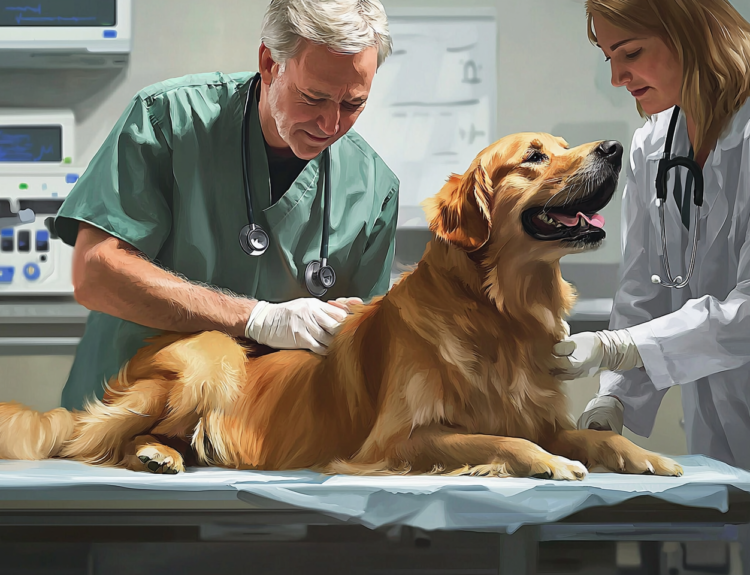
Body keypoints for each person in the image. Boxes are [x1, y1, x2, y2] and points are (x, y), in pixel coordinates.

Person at [53, 0, 400, 411]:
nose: (330, 124)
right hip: (123, 414)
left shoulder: (375, 189)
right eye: (313, 97)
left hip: (256, 438)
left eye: (352, 104)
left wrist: (346, 329)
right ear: (270, 63)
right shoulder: (168, 122)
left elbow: (369, 360)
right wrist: (257, 319)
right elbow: (95, 273)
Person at [551, 0, 750, 569]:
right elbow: (645, 291)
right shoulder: (653, 145)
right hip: (718, 425)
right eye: (608, 56)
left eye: (631, 53)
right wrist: (613, 398)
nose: (617, 78)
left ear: (694, 32)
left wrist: (626, 347)